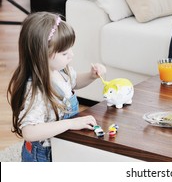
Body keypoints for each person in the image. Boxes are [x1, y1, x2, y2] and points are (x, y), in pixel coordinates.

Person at [7, 12, 107, 161]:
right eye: (64, 53)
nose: (71, 55)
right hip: (42, 156)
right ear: (42, 55)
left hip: (60, 146)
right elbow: (29, 131)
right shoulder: (36, 90)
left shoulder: (60, 71)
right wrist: (70, 123)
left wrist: (91, 76)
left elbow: (74, 82)